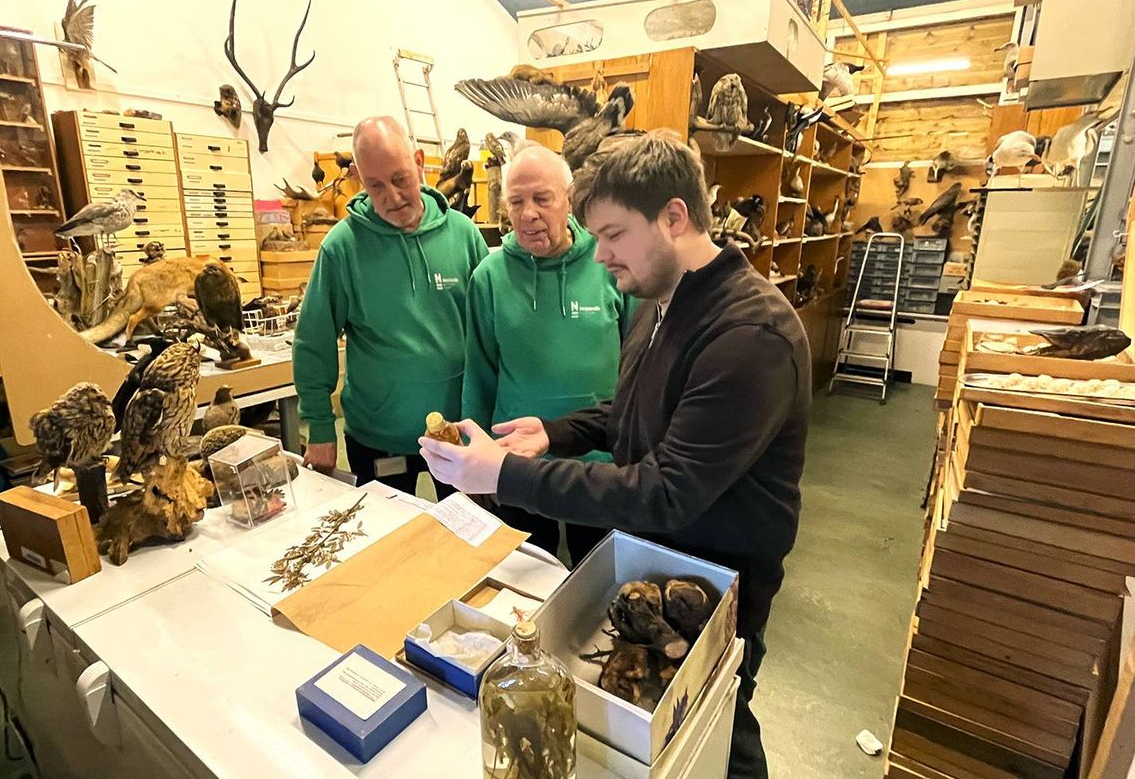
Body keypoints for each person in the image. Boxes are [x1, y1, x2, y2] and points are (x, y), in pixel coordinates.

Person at [418, 132, 811, 778]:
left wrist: (507, 472)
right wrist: (555, 432)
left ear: (674, 217)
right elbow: (630, 410)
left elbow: (664, 489)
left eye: (613, 234)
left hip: (717, 584)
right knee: (667, 732)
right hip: (658, 561)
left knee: (722, 729)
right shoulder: (663, 303)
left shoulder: (749, 336)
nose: (599, 255)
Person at [293, 116, 488, 498]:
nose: (392, 197)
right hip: (376, 437)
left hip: (457, 434)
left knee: (468, 546)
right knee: (386, 547)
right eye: (375, 185)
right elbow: (313, 343)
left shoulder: (464, 236)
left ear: (419, 163)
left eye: (400, 179)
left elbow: (489, 335)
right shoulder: (342, 247)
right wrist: (318, 426)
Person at [462, 144, 634, 565]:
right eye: (516, 202)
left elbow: (638, 363)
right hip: (515, 458)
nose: (528, 214)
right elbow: (479, 373)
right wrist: (475, 455)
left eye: (542, 199)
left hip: (599, 465)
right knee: (524, 580)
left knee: (599, 582)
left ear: (569, 198)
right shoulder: (489, 277)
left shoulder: (608, 262)